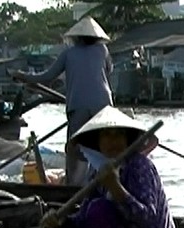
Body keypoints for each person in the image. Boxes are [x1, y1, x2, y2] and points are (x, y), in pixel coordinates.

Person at [43, 105, 184, 228]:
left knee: (100, 208)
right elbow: (83, 219)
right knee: (95, 211)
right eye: (106, 135)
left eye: (119, 134)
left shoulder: (140, 166)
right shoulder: (99, 171)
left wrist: (115, 187)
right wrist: (58, 222)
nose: (113, 140)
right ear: (97, 142)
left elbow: (146, 217)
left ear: (128, 139)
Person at [11, 16, 114, 185]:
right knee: (102, 146)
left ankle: (73, 185)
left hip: (79, 105)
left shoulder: (69, 53)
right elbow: (108, 71)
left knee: (75, 147)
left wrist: (23, 76)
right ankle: (101, 182)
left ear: (77, 37)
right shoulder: (102, 50)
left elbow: (46, 77)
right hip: (103, 105)